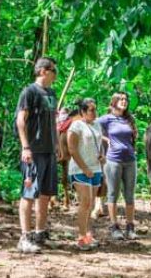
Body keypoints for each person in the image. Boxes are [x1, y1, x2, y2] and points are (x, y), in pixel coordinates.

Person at [15, 57, 59, 254]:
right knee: (29, 194)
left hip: (49, 150)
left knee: (46, 194)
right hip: (33, 151)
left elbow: (54, 121)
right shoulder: (29, 92)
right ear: (43, 71)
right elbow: (20, 121)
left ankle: (40, 234)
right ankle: (25, 237)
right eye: (53, 70)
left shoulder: (51, 93)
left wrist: (57, 144)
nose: (56, 75)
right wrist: (25, 147)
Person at [97, 91, 138, 240]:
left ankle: (130, 226)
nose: (124, 101)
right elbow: (91, 126)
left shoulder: (128, 119)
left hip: (130, 160)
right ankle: (114, 226)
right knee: (113, 193)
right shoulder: (107, 119)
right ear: (114, 101)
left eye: (126, 99)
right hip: (113, 161)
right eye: (121, 99)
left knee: (129, 195)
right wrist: (105, 138)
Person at [67, 98, 104, 250]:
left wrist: (101, 155)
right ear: (83, 112)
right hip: (79, 169)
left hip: (96, 168)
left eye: (95, 109)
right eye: (91, 110)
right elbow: (72, 149)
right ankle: (81, 238)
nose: (95, 113)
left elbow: (99, 144)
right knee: (85, 202)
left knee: (91, 204)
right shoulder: (76, 125)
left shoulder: (97, 125)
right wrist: (84, 168)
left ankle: (88, 234)